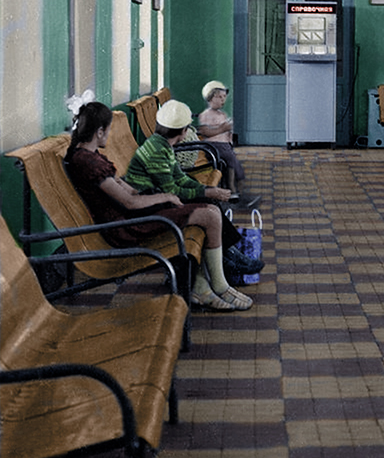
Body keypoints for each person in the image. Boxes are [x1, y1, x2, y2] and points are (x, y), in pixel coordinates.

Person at [65, 101, 254, 311]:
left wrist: (153, 194)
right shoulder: (88, 163)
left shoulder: (89, 157)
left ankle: (202, 286)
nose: (109, 135)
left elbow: (129, 191)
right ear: (99, 131)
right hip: (126, 227)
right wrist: (165, 197)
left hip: (131, 217)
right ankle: (219, 286)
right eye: (109, 130)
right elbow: (130, 202)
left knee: (207, 210)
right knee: (209, 215)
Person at [126, 99, 265, 282]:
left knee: (209, 200)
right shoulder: (157, 151)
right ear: (184, 131)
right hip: (151, 205)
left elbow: (181, 178)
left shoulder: (162, 145)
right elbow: (173, 190)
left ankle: (230, 255)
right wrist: (207, 193)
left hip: (156, 198)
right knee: (208, 204)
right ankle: (229, 258)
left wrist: (207, 189)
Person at [197, 80, 250, 204]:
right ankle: (234, 189)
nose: (223, 100)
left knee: (232, 162)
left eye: (224, 97)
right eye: (219, 97)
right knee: (232, 162)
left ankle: (235, 190)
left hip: (224, 145)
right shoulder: (206, 115)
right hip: (213, 146)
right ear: (210, 98)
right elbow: (205, 132)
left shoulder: (222, 114)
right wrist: (222, 129)